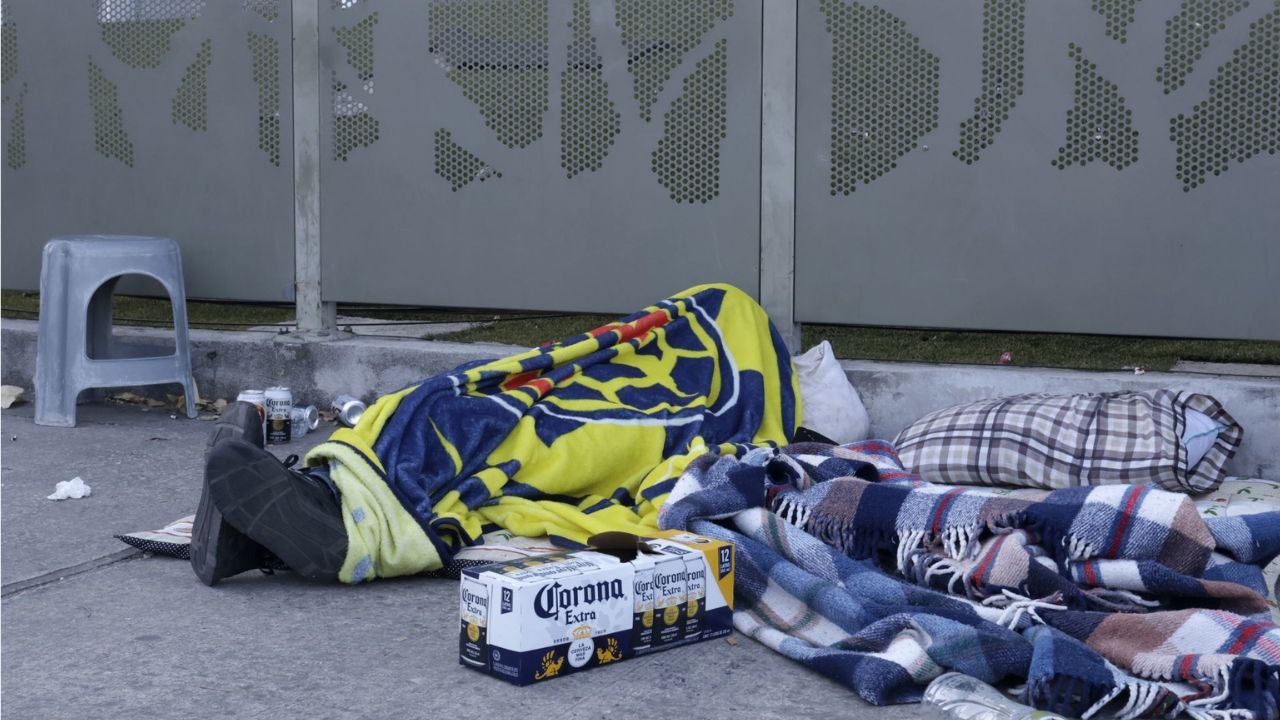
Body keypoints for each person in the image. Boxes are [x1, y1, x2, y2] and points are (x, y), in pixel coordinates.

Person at [191, 283, 801, 586]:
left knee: (495, 430)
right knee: (440, 395)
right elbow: (596, 350)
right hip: (563, 385)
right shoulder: (655, 330)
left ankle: (334, 520)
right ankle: (292, 516)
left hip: (626, 422)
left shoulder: (740, 355)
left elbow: (722, 412)